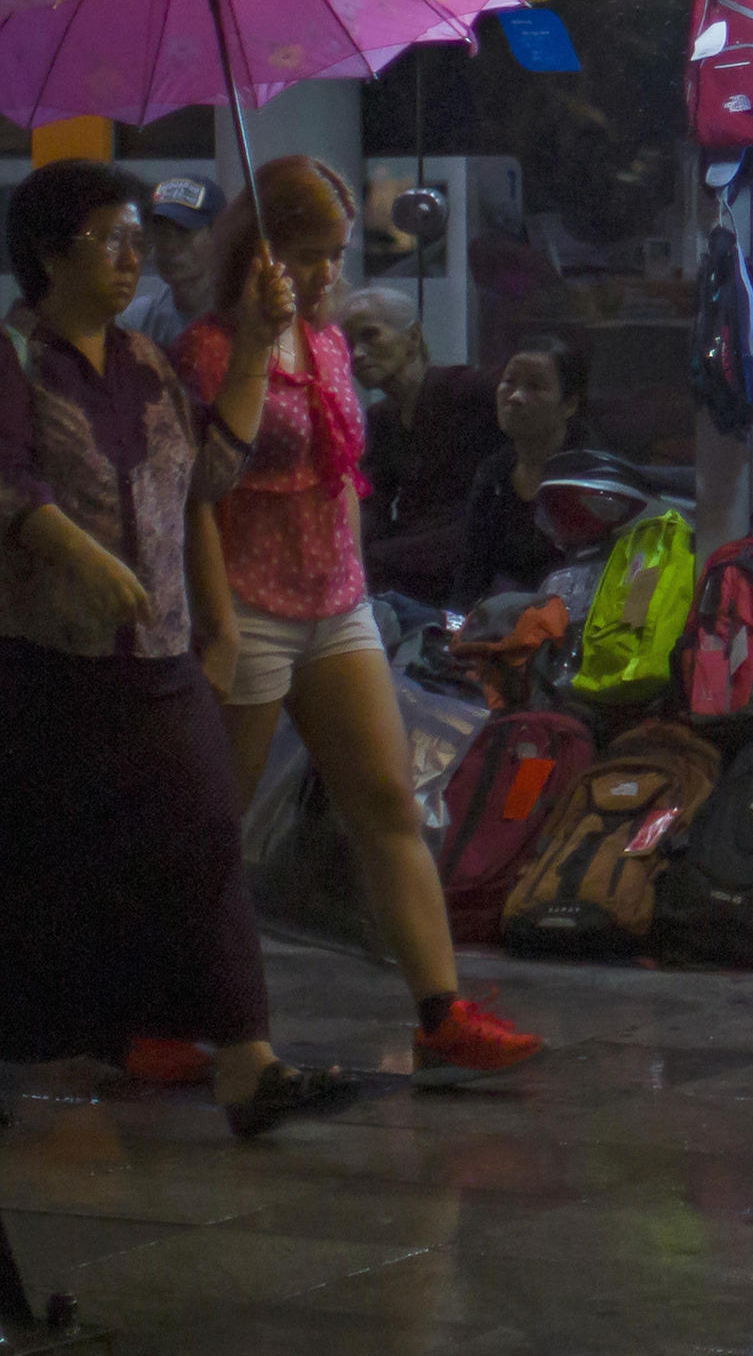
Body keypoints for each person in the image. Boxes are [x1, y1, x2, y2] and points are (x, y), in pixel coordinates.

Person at [0, 158, 355, 1135]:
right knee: (46, 869)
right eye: (108, 241)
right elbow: (11, 482)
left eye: (136, 241)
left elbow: (206, 479)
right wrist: (72, 551)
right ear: (48, 253)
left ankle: (247, 1061)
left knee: (205, 836)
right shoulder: (18, 359)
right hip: (49, 665)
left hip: (156, 659)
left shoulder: (145, 362)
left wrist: (254, 345)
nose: (131, 259)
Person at [176, 160, 543, 1083]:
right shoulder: (216, 350)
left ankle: (440, 1008)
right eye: (308, 256)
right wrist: (257, 348)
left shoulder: (330, 345)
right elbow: (205, 486)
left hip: (334, 602)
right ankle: (180, 1011)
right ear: (260, 254)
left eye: (334, 256)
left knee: (385, 802)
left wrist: (360, 584)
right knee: (217, 822)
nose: (324, 275)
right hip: (252, 605)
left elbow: (342, 475)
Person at [346, 285, 508, 601]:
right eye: (348, 344)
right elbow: (371, 500)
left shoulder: (467, 390)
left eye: (370, 336)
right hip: (410, 552)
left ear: (413, 337)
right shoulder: (379, 420)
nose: (357, 354)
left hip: (467, 547)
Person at [450, 335, 591, 608]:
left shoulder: (589, 476)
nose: (514, 397)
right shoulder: (494, 474)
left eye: (535, 386)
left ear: (569, 404)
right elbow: (470, 574)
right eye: (509, 382)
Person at [115, 172, 217, 346]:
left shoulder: (242, 316)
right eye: (161, 233)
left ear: (217, 234)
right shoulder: (138, 320)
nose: (169, 245)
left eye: (183, 231)